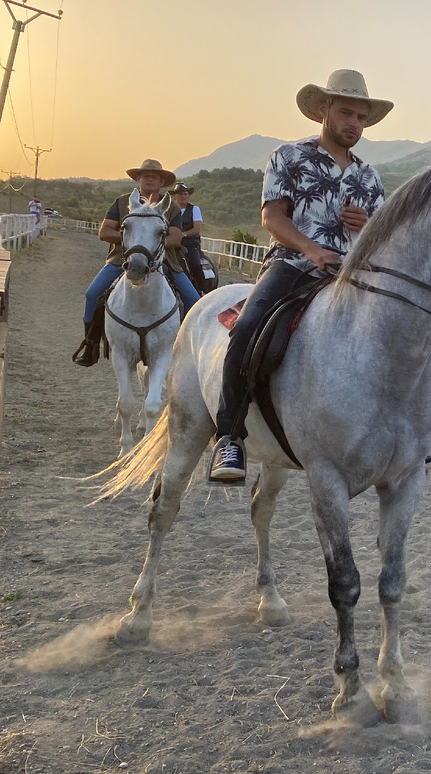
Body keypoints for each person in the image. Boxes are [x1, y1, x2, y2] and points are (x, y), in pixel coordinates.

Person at [207, 69, 393, 483]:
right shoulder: (289, 156)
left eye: (362, 118)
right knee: (248, 328)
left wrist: (367, 226)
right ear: (323, 110)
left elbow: (381, 237)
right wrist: (310, 248)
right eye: (346, 113)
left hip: (353, 276)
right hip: (293, 266)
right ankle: (229, 438)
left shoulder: (369, 177)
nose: (354, 124)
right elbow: (272, 217)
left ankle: (398, 439)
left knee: (409, 334)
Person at [73, 159, 202, 367]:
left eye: (155, 176)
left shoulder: (171, 206)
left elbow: (176, 238)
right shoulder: (122, 202)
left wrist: (152, 247)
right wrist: (134, 243)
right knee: (92, 295)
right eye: (145, 175)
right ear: (138, 179)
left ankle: (189, 351)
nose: (150, 178)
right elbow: (105, 232)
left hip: (163, 259)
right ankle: (91, 344)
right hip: (123, 257)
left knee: (193, 299)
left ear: (162, 182)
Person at [169, 182, 207, 291]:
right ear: (174, 196)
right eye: (180, 194)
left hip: (190, 244)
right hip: (171, 244)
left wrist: (182, 234)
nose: (183, 196)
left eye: (185, 194)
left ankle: (202, 290)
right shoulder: (169, 211)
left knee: (195, 264)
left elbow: (196, 229)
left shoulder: (194, 209)